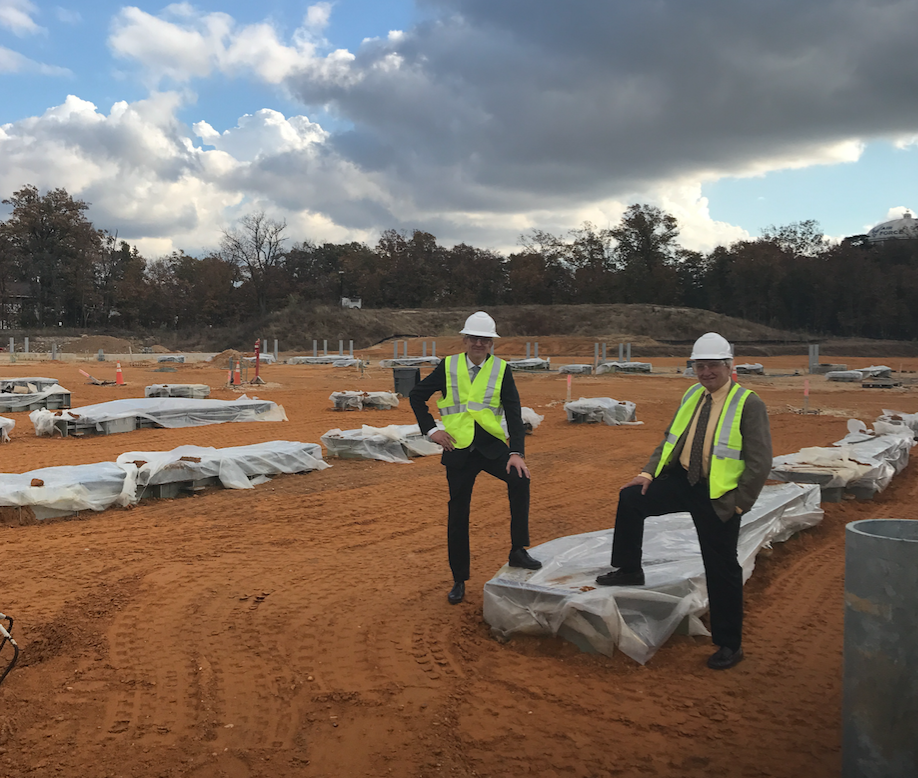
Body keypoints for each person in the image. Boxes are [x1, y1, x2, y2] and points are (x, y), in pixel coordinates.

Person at [595, 332, 772, 670]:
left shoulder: (749, 403)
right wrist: (647, 474)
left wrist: (738, 504)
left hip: (718, 494)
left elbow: (760, 461)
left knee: (722, 568)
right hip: (683, 481)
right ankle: (629, 569)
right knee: (632, 498)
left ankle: (729, 644)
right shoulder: (694, 395)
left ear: (728, 366)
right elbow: (671, 440)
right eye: (699, 366)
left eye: (712, 366)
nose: (705, 372)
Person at [409, 311, 542, 605]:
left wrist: (516, 452)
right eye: (474, 338)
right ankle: (459, 578)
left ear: (491, 343)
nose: (479, 343)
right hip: (457, 450)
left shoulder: (501, 369)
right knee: (458, 513)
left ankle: (518, 550)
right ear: (466, 339)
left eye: (485, 339)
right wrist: (431, 432)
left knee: (520, 479)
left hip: (492, 447)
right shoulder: (449, 365)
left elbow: (513, 411)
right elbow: (416, 396)